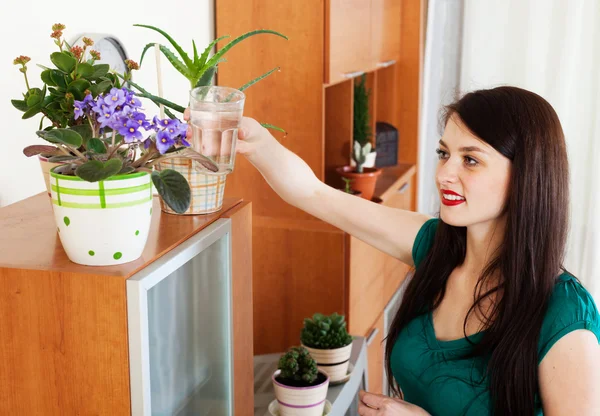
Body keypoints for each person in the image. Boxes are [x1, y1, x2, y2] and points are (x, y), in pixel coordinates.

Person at [185, 86, 600, 415]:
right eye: (444, 154)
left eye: (470, 160)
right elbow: (314, 194)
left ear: (527, 176)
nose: (444, 174)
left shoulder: (563, 311)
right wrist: (254, 141)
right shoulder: (436, 247)